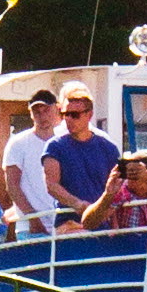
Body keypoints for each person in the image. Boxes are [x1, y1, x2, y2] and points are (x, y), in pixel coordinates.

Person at [41, 84, 129, 229]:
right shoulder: (54, 146)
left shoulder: (109, 148)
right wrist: (78, 205)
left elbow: (117, 188)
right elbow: (51, 185)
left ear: (89, 115)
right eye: (65, 114)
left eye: (75, 115)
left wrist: (114, 225)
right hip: (69, 223)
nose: (69, 119)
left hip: (102, 223)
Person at [0, 94, 60, 231]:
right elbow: (12, 185)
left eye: (46, 110)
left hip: (62, 224)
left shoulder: (64, 142)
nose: (42, 116)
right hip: (29, 228)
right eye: (37, 112)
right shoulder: (18, 143)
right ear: (31, 114)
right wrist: (32, 218)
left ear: (56, 109)